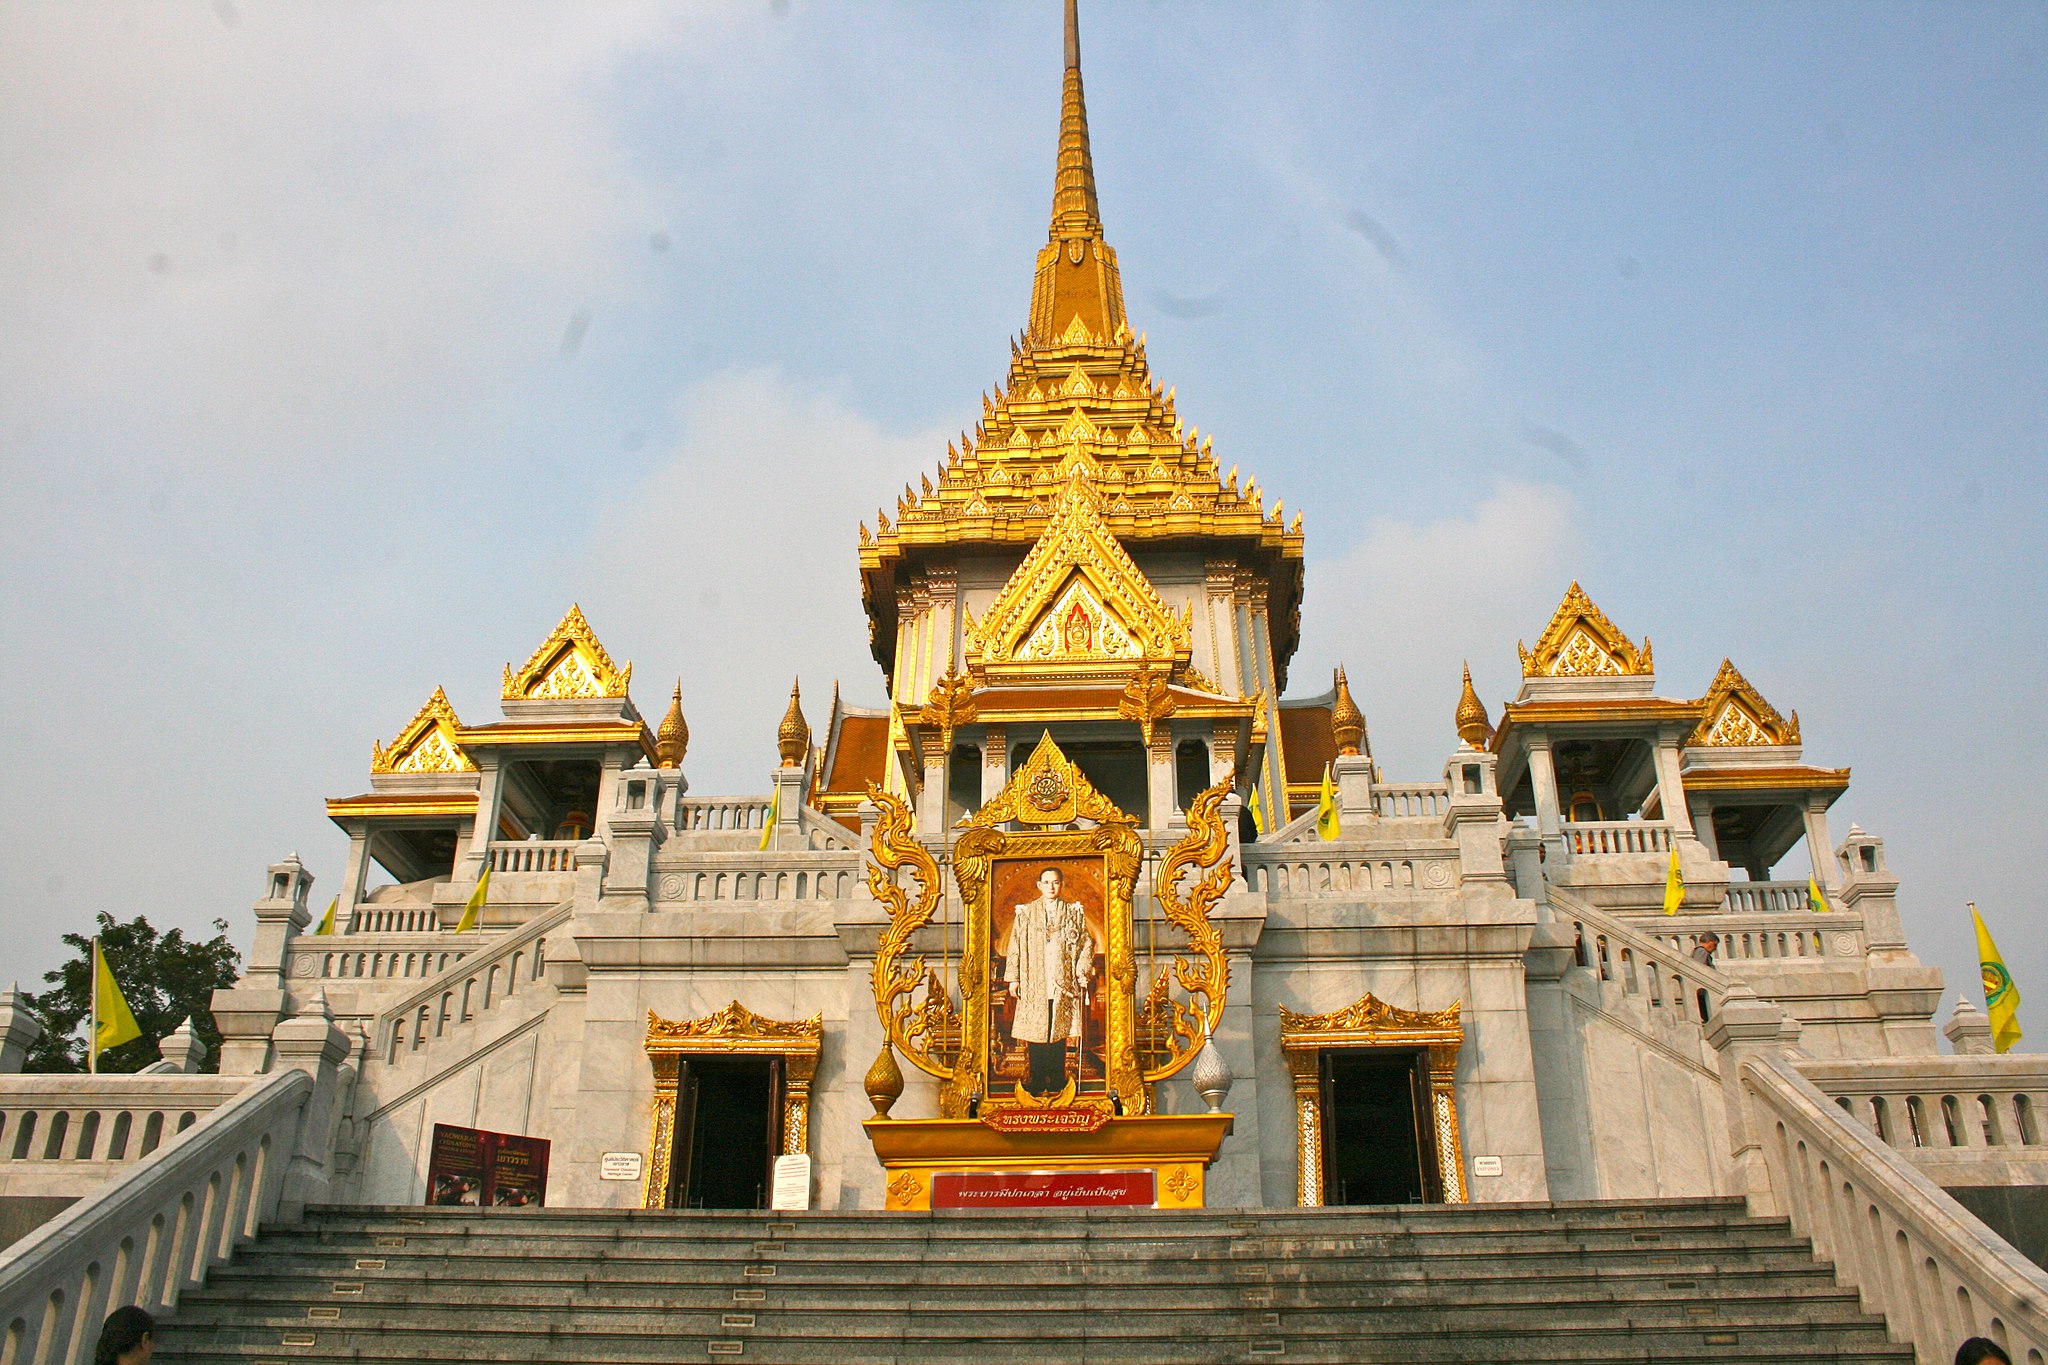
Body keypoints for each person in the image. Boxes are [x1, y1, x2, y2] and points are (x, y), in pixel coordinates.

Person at [1005, 867, 1096, 1094]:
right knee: (1037, 1033)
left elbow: (1086, 943)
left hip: (1061, 982)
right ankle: (1036, 1078)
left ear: (1061, 884)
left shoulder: (1073, 912)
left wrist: (1081, 970)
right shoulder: (1025, 913)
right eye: (1046, 883)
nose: (1051, 887)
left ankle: (1057, 1078)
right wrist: (1013, 979)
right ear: (1039, 885)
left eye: (1055, 882)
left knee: (1057, 1032)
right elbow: (1014, 945)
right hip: (1034, 980)